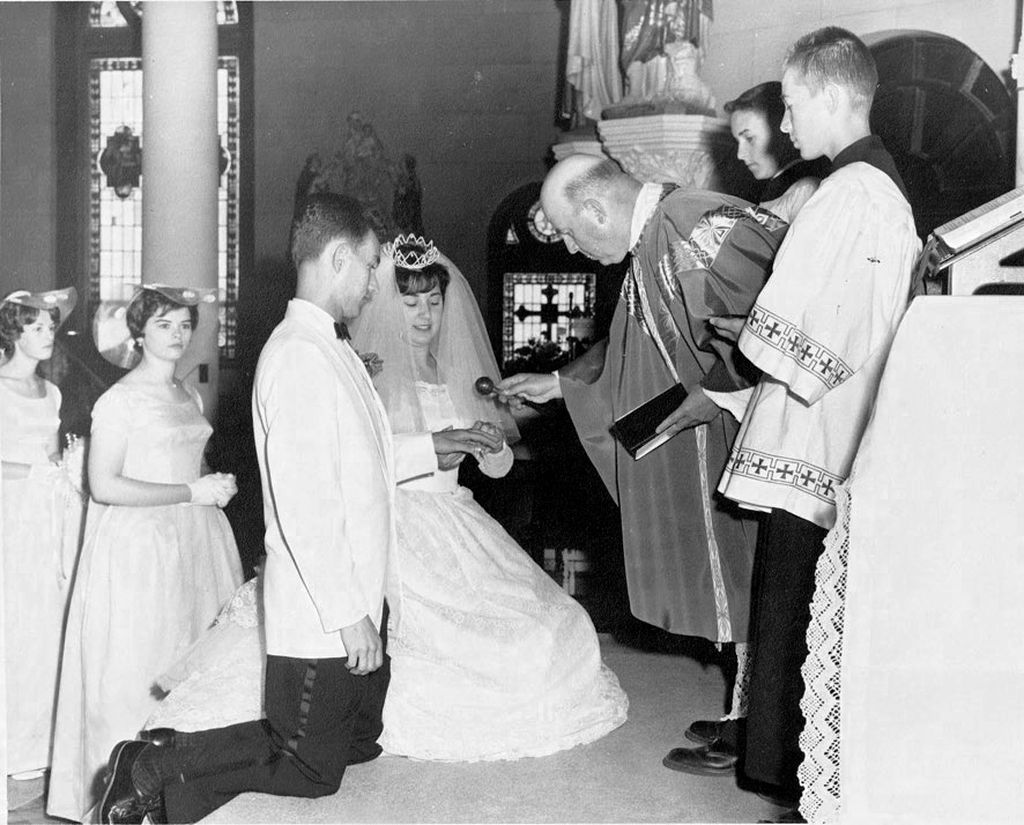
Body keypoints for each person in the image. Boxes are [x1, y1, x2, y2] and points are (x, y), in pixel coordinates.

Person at [134, 234, 629, 767]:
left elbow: (497, 460)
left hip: (457, 517)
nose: (424, 315)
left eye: (433, 303)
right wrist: (433, 450)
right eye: (410, 302)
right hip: (400, 519)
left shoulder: (457, 371)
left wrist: (488, 447)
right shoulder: (369, 371)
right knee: (459, 645)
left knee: (552, 624)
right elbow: (359, 462)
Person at [94, 195, 500, 825]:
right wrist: (349, 617)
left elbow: (359, 457)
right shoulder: (298, 356)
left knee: (359, 741)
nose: (374, 285)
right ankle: (152, 767)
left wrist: (434, 445)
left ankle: (164, 762)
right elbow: (308, 502)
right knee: (310, 769)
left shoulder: (328, 346)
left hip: (364, 588)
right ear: (339, 259)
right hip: (322, 609)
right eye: (369, 267)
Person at [497, 154, 788, 776]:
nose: (573, 249)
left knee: (752, 576)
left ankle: (760, 725)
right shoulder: (660, 234)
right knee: (737, 578)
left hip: (751, 440)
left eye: (573, 230)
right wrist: (561, 383)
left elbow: (781, 316)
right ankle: (745, 713)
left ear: (599, 208)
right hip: (712, 438)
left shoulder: (693, 226)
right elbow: (632, 345)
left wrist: (714, 392)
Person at [695, 28, 920, 819]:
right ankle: (789, 778)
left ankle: (791, 787)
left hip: (820, 432)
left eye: (791, 108)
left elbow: (798, 337)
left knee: (794, 601)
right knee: (800, 602)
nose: (786, 127)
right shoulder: (877, 187)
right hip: (839, 427)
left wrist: (746, 336)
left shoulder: (850, 194)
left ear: (829, 97)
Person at [47, 284, 245, 822]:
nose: (178, 335)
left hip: (196, 541)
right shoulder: (120, 400)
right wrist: (189, 492)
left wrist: (210, 483)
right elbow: (105, 484)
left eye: (185, 324)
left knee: (194, 661)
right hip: (140, 549)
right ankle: (123, 793)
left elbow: (184, 464)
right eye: (164, 325)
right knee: (139, 664)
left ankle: (183, 786)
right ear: (138, 333)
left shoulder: (191, 395)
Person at [678, 80, 832, 758]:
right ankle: (750, 716)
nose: (740, 152)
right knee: (758, 575)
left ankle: (769, 732)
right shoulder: (774, 201)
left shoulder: (811, 196)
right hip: (758, 389)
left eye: (749, 134)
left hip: (801, 405)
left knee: (786, 584)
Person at [1, 287, 85, 780]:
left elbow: (54, 456)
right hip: (12, 515)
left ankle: (38, 744)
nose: (48, 334)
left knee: (46, 624)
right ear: (14, 332)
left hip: (48, 514)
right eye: (36, 327)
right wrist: (36, 472)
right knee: (15, 623)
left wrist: (66, 470)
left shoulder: (51, 392)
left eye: (50, 326)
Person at [724, 81, 830, 220]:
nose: (740, 155)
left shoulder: (805, 191)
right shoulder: (775, 191)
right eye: (738, 142)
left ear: (780, 130)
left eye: (749, 138)